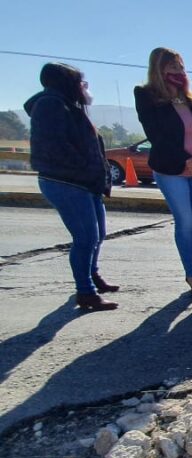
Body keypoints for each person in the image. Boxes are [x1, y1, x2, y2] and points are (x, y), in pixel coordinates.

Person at [25, 62, 118, 311]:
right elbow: (54, 148)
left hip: (86, 183)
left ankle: (92, 276)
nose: (84, 87)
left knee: (97, 236)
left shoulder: (69, 106)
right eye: (80, 82)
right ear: (66, 83)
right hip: (68, 182)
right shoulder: (51, 105)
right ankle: (85, 292)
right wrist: (86, 170)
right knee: (85, 238)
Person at [135, 47, 192, 297]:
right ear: (159, 69)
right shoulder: (147, 95)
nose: (178, 71)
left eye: (181, 67)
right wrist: (184, 161)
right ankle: (191, 273)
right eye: (172, 67)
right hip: (172, 170)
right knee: (185, 222)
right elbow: (156, 134)